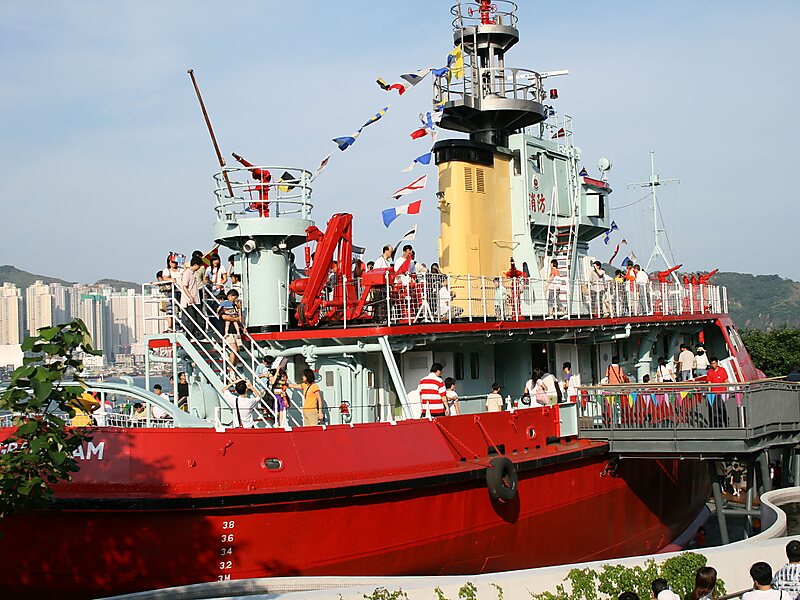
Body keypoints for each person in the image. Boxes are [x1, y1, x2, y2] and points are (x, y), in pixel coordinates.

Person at [218, 289, 243, 373]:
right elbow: (224, 317)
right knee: (234, 349)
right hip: (227, 332)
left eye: (236, 297)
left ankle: (234, 367)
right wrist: (235, 319)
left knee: (238, 350)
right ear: (228, 296)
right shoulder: (224, 305)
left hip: (235, 331)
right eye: (233, 297)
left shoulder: (234, 306)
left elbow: (238, 318)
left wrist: (242, 326)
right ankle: (231, 369)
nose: (235, 299)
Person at [180, 257, 204, 337]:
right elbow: (184, 286)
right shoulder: (187, 273)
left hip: (196, 300)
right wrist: (190, 297)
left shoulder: (192, 273)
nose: (199, 268)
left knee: (199, 318)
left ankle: (199, 335)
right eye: (199, 266)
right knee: (192, 319)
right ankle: (192, 335)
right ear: (195, 265)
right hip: (189, 301)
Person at [706, 356, 729, 427]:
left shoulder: (722, 370)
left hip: (721, 393)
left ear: (717, 363)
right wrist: (709, 393)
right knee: (714, 410)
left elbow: (726, 381)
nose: (713, 365)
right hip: (713, 393)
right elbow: (709, 383)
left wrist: (727, 391)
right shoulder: (709, 372)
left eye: (714, 363)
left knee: (722, 408)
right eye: (712, 364)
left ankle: (725, 421)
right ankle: (715, 424)